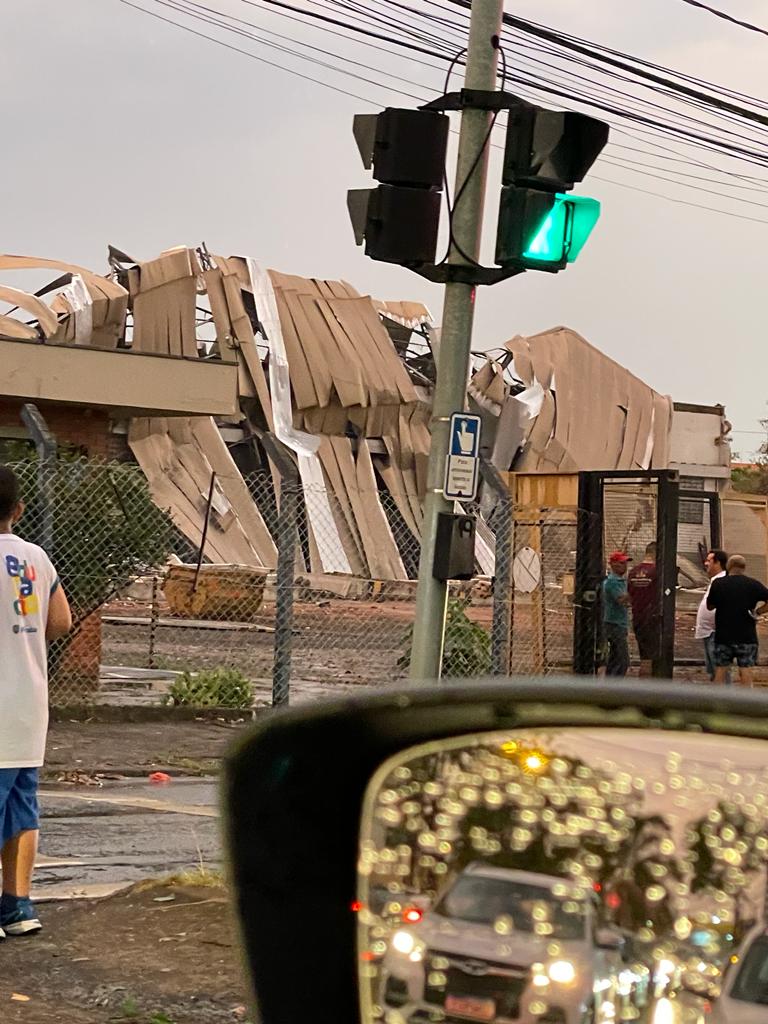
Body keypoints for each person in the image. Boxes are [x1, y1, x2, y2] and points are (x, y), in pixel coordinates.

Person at [0, 466, 71, 938]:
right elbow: (61, 621)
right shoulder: (37, 558)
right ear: (18, 510)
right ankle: (18, 906)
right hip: (27, 706)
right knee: (22, 806)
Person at [707, 554, 768, 687]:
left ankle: (717, 703)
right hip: (747, 636)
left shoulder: (719, 584)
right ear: (744, 567)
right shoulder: (753, 584)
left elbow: (710, 606)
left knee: (720, 671)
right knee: (745, 671)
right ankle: (745, 705)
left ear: (728, 567)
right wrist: (758, 611)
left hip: (724, 636)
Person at [695, 549, 729, 683]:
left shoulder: (722, 582)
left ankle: (725, 699)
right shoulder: (715, 581)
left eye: (709, 560)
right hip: (708, 632)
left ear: (718, 563)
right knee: (714, 671)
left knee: (720, 670)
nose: (705, 563)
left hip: (715, 633)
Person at [627, 542, 658, 677]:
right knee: (653, 656)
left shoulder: (633, 571)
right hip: (653, 617)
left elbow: (629, 593)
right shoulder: (657, 571)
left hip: (638, 616)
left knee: (644, 654)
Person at [602, 552, 631, 677]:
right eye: (621, 563)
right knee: (622, 660)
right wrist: (636, 591)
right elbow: (622, 600)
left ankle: (610, 685)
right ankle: (615, 686)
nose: (624, 566)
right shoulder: (612, 582)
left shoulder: (621, 581)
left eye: (625, 563)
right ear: (613, 564)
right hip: (614, 623)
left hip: (619, 622)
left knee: (614, 658)